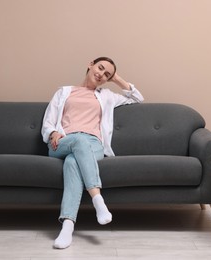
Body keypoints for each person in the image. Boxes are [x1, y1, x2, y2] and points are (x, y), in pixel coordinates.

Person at [41, 57, 144, 249]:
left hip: (93, 145)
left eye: (107, 74)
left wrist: (116, 79)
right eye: (100, 68)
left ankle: (67, 226)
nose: (101, 74)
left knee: (72, 162)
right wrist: (53, 132)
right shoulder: (64, 92)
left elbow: (137, 97)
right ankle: (98, 199)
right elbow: (48, 121)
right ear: (90, 64)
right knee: (78, 141)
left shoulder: (106, 96)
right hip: (63, 142)